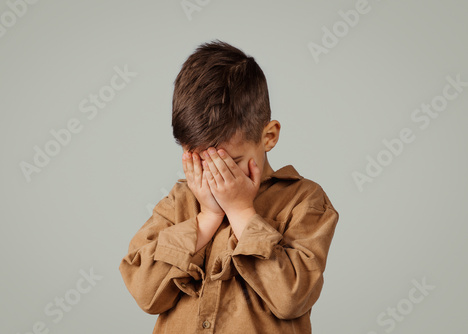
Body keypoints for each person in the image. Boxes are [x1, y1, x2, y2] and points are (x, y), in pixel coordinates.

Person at [119, 40, 339, 333]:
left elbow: (291, 298)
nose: (215, 177)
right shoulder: (179, 201)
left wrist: (241, 211)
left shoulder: (305, 201)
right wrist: (206, 219)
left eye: (229, 162)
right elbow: (145, 293)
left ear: (269, 137)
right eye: (201, 161)